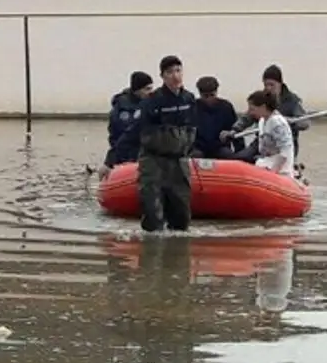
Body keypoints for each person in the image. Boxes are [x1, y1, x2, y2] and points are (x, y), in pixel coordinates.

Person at [103, 55, 197, 232]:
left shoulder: (188, 99)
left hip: (178, 161)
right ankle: (151, 252)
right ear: (162, 76)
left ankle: (178, 255)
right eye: (170, 72)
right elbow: (132, 132)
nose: (175, 76)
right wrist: (110, 161)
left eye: (178, 70)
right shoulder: (152, 101)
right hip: (153, 161)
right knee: (153, 214)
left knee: (181, 214)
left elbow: (193, 129)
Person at [220, 64, 309, 162]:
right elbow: (248, 117)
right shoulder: (261, 98)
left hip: (282, 145)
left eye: (272, 84)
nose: (268, 88)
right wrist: (234, 130)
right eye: (266, 85)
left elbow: (304, 124)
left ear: (280, 83)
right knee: (240, 158)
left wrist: (288, 121)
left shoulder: (292, 101)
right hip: (262, 141)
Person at [96, 71, 154, 180]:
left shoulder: (149, 105)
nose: (151, 92)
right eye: (147, 89)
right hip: (126, 155)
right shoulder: (121, 109)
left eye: (151, 88)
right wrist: (111, 160)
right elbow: (118, 135)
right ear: (138, 90)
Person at [192, 76, 245, 159]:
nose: (209, 99)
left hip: (219, 147)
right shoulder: (193, 107)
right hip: (199, 148)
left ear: (216, 92)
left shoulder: (226, 107)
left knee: (229, 155)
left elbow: (235, 131)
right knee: (195, 156)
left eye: (212, 95)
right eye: (206, 96)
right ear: (200, 94)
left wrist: (240, 153)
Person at [245, 90, 296, 177]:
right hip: (267, 161)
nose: (250, 112)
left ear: (263, 107)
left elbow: (285, 151)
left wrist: (273, 173)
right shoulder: (262, 121)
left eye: (252, 109)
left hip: (281, 169)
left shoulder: (277, 122)